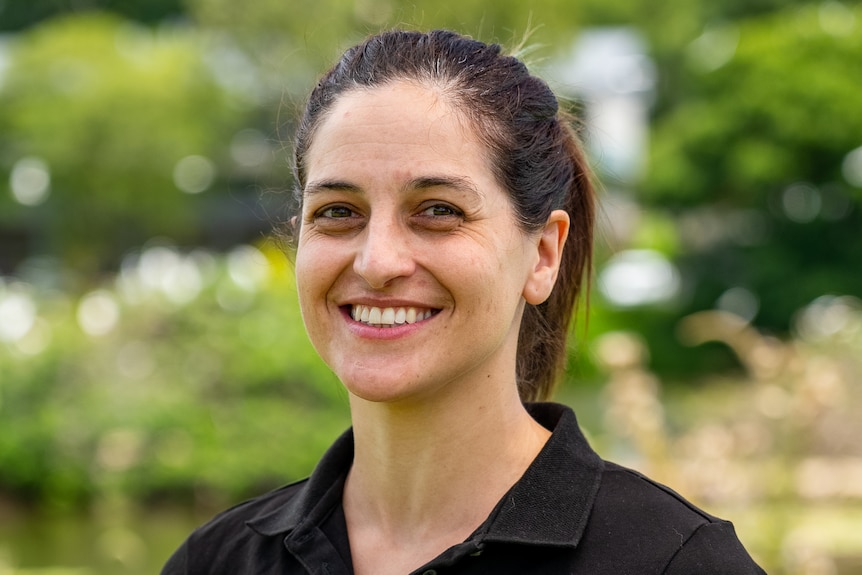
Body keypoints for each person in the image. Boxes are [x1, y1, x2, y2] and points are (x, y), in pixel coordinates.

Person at [161, 29, 766, 574]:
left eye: (439, 211)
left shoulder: (675, 563)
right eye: (338, 213)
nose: (377, 262)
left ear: (543, 255)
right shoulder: (215, 561)